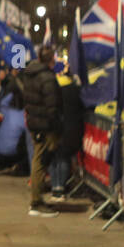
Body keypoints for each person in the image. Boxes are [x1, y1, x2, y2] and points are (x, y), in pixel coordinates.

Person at [13, 45, 63, 217]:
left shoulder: (30, 74)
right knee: (40, 162)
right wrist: (56, 125)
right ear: (51, 60)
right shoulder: (47, 78)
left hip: (35, 122)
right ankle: (36, 202)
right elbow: (52, 106)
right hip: (45, 126)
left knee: (39, 159)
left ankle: (37, 199)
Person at [51, 68, 84, 200]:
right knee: (64, 157)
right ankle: (61, 188)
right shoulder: (75, 89)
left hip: (56, 127)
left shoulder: (53, 87)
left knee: (55, 158)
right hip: (72, 128)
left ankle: (55, 188)